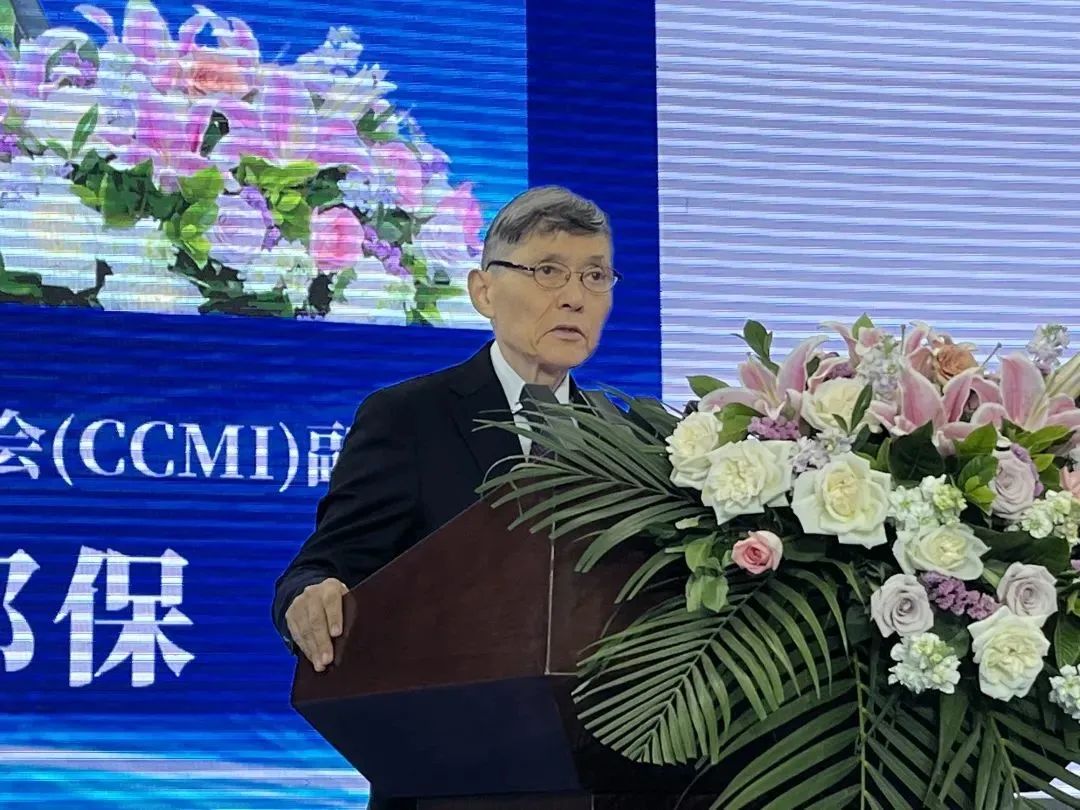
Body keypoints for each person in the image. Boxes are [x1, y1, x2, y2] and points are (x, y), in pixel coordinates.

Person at [272, 185, 618, 810]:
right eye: (548, 271)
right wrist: (310, 595)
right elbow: (326, 563)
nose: (575, 296)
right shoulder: (409, 418)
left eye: (595, 276)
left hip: (607, 778)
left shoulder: (631, 441)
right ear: (484, 291)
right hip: (448, 779)